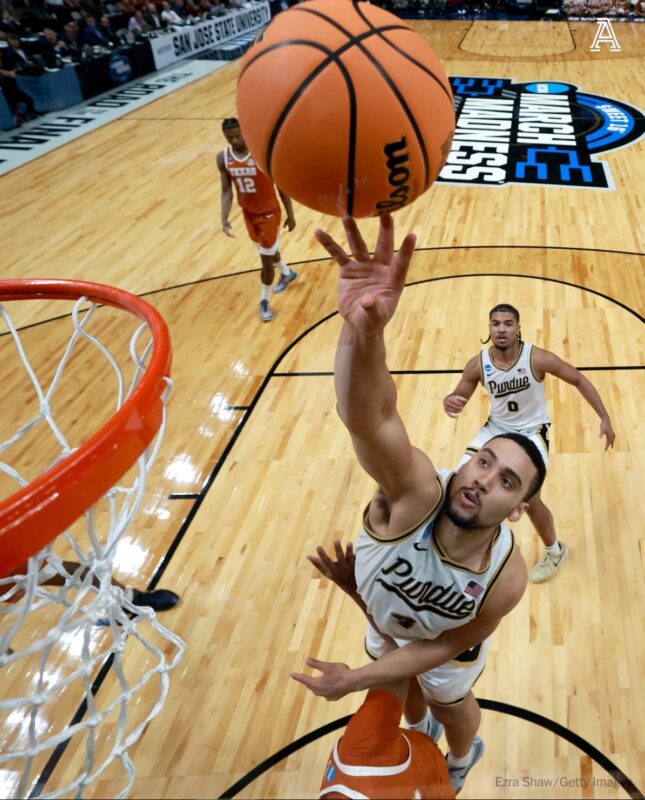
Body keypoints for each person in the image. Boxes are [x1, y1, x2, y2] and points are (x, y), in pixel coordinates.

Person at [291, 215, 546, 795]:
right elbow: (369, 416)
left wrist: (356, 676)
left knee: (449, 706)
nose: (484, 479)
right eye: (484, 460)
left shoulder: (505, 580)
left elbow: (436, 646)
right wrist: (364, 333)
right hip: (388, 626)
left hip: (436, 646)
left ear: (516, 510)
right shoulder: (415, 494)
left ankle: (461, 758)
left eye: (508, 481)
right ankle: (426, 731)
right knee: (408, 709)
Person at [442, 303, 615, 583]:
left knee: (529, 498)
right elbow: (458, 396)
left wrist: (604, 417)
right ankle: (458, 552)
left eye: (508, 323)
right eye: (496, 323)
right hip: (495, 429)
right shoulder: (478, 364)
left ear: (518, 328)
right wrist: (449, 401)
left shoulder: (537, 358)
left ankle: (554, 551)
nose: (501, 329)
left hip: (532, 431)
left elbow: (578, 379)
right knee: (458, 481)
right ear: (489, 328)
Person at [217, 117, 297, 322]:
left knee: (266, 261)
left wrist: (290, 214)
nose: (234, 140)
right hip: (249, 214)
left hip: (269, 212)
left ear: (245, 131)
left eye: (237, 135)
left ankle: (264, 301)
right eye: (229, 137)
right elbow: (227, 190)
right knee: (268, 252)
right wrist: (224, 217)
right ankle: (287, 273)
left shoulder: (261, 155)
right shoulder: (223, 158)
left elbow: (281, 185)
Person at [319, 680, 455, 799]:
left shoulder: (364, 745)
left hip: (423, 757)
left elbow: (398, 666)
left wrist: (356, 677)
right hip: (434, 782)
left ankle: (456, 758)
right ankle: (459, 766)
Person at [0, 33, 38, 124]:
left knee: (28, 100)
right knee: (12, 104)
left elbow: (12, 70)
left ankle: (28, 114)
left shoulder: (4, 58)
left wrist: (13, 70)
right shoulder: (8, 54)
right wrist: (7, 73)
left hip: (11, 85)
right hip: (5, 88)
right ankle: (17, 118)